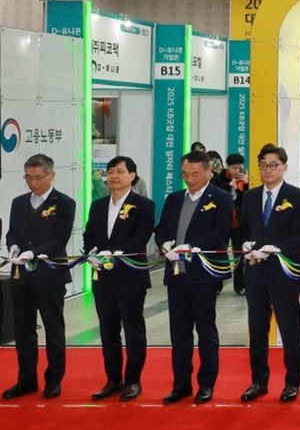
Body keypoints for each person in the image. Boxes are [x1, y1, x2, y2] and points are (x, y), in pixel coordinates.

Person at [155, 150, 233, 404]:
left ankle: (206, 384)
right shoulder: (174, 198)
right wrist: (165, 244)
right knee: (179, 333)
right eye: (185, 174)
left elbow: (220, 233)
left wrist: (191, 247)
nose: (190, 179)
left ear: (209, 171)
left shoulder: (221, 198)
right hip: (176, 275)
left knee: (205, 330)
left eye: (195, 174)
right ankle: (181, 384)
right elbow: (161, 228)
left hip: (203, 275)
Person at [239, 143, 300, 403]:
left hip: (284, 272)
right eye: (263, 165)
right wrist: (245, 245)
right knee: (257, 329)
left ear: (284, 167)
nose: (268, 170)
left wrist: (276, 248)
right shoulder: (250, 196)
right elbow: (243, 230)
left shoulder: (296, 196)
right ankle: (258, 381)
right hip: (255, 271)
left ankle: (292, 382)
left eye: (273, 165)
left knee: (289, 329)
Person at [83, 156, 155, 402]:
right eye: (111, 172)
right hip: (103, 278)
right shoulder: (98, 205)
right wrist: (92, 252)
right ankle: (113, 379)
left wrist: (114, 252)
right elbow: (89, 234)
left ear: (132, 176)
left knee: (133, 330)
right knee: (108, 330)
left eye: (120, 172)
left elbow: (140, 238)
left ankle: (133, 380)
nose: (113, 176)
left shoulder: (143, 205)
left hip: (130, 277)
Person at [3, 154, 75, 400]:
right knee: (23, 329)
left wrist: (33, 253)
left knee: (53, 328)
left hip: (50, 275)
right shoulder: (19, 202)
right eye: (28, 177)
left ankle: (54, 379)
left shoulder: (64, 203)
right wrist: (12, 246)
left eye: (38, 177)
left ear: (51, 175)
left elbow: (60, 239)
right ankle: (26, 379)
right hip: (21, 275)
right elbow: (12, 233)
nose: (33, 183)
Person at [211, 153, 249, 295]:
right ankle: (217, 285)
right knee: (220, 253)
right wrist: (228, 186)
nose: (237, 171)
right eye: (234, 168)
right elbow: (213, 195)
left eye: (240, 167)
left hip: (239, 222)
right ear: (228, 167)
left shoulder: (245, 179)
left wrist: (246, 184)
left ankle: (240, 285)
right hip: (222, 221)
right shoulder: (218, 179)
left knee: (239, 254)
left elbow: (250, 197)